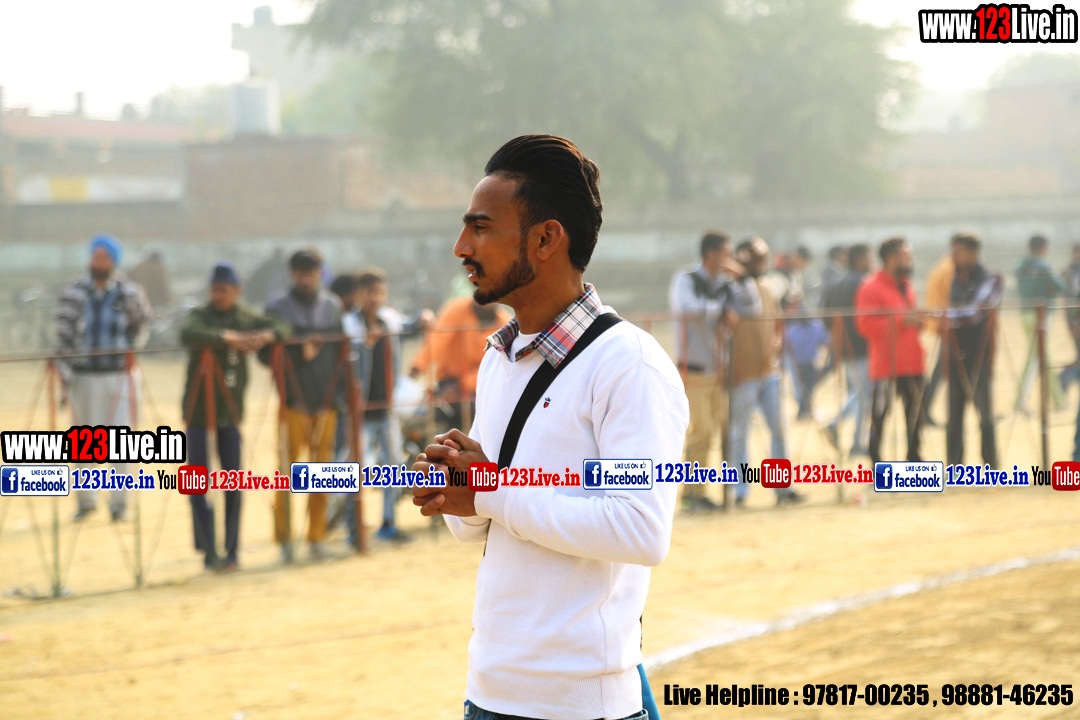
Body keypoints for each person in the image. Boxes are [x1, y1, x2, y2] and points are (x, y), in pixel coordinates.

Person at [411, 135, 687, 720]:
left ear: (545, 239)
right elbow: (480, 526)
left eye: (481, 228)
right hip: (490, 691)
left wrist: (490, 491)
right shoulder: (500, 357)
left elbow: (641, 529)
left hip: (582, 704)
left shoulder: (627, 364)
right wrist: (455, 490)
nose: (462, 247)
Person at [179, 262, 288, 572]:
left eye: (223, 290)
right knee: (197, 482)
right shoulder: (201, 315)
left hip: (230, 412)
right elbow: (188, 332)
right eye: (214, 290)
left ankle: (231, 550)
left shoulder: (245, 317)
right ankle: (207, 548)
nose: (217, 296)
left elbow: (282, 327)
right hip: (199, 412)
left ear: (236, 291)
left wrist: (266, 335)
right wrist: (225, 338)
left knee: (233, 482)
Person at [54, 235, 152, 522]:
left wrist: (133, 351)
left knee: (122, 440)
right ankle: (86, 501)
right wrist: (64, 376)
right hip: (84, 377)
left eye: (104, 258)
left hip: (119, 376)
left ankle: (119, 503)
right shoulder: (74, 292)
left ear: (113, 262)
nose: (98, 263)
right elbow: (62, 335)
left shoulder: (129, 293)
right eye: (95, 257)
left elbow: (142, 325)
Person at [259, 248, 345, 563]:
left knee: (322, 472)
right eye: (300, 273)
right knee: (286, 471)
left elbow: (340, 353)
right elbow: (265, 355)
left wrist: (338, 396)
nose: (306, 278)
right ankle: (285, 540)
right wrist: (299, 355)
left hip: (325, 403)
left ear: (319, 273)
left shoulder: (332, 306)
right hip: (292, 402)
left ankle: (316, 537)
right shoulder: (277, 308)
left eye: (311, 272)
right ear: (292, 274)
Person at [345, 268, 432, 545]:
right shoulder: (349, 325)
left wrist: (423, 318)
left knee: (392, 467)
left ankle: (388, 524)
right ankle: (353, 529)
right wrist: (365, 345)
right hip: (358, 410)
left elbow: (409, 326)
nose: (375, 298)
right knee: (354, 468)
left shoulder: (389, 319)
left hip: (387, 408)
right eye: (369, 292)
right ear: (359, 294)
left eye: (379, 292)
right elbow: (345, 360)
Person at [668, 230, 748, 513]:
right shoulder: (686, 279)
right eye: (726, 254)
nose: (730, 259)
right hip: (694, 369)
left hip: (719, 370)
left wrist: (743, 279)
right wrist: (718, 310)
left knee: (715, 432)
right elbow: (685, 308)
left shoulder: (726, 284)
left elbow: (750, 306)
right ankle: (691, 495)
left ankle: (703, 492)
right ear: (711, 254)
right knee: (700, 432)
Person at [728, 237, 804, 507]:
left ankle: (782, 488)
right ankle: (739, 491)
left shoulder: (769, 287)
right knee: (740, 433)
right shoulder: (732, 290)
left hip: (768, 371)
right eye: (756, 259)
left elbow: (777, 324)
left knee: (779, 430)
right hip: (742, 372)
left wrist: (775, 353)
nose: (761, 264)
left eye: (763, 259)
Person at [855, 237, 926, 467]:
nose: (909, 261)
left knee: (914, 416)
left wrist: (918, 320)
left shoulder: (906, 285)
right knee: (880, 416)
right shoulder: (871, 287)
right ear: (890, 258)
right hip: (886, 364)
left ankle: (914, 461)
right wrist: (901, 320)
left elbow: (910, 318)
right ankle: (876, 463)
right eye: (905, 257)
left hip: (913, 361)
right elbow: (865, 325)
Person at [941, 233, 1003, 467]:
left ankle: (991, 467)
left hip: (979, 355)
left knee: (984, 415)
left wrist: (943, 316)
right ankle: (955, 468)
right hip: (954, 354)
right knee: (954, 416)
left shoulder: (991, 279)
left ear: (973, 253)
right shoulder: (954, 278)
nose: (954, 256)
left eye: (958, 252)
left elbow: (975, 313)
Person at [409, 294, 512, 431]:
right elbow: (437, 339)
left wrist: (463, 385)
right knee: (432, 415)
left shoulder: (505, 324)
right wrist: (418, 366)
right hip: (448, 381)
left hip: (481, 386)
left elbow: (496, 366)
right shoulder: (456, 309)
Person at [821, 243, 873, 457]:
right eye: (869, 257)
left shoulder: (834, 284)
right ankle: (855, 442)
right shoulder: (865, 283)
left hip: (843, 348)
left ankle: (845, 431)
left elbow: (825, 318)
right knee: (864, 395)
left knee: (861, 393)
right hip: (863, 347)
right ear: (860, 259)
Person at [1015, 234, 1066, 413]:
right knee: (1036, 357)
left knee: (1041, 355)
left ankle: (1059, 398)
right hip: (1041, 315)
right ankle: (1021, 401)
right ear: (1043, 247)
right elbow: (1060, 287)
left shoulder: (1021, 266)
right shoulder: (1043, 267)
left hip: (1025, 314)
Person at [921, 245, 956, 426]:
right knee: (942, 369)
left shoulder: (941, 266)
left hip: (940, 322)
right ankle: (924, 409)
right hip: (947, 324)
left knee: (942, 369)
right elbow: (953, 296)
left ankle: (924, 409)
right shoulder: (950, 269)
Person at [784, 297, 830, 421]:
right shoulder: (815, 327)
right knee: (807, 388)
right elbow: (826, 341)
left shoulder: (792, 330)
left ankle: (804, 411)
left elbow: (786, 346)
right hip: (805, 363)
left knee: (804, 388)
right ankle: (804, 411)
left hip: (801, 363)